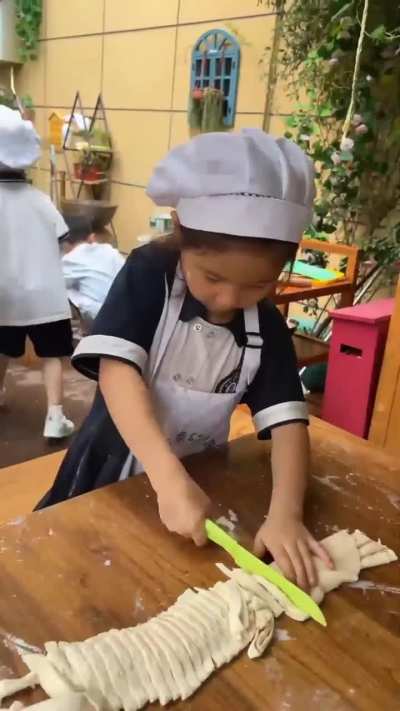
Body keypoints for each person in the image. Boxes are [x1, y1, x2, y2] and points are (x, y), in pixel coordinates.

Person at [38, 129, 333, 589]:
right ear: (180, 232)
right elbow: (118, 374)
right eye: (213, 276)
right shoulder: (148, 275)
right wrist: (165, 474)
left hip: (199, 476)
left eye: (258, 286)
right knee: (78, 578)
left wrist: (285, 516)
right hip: (111, 470)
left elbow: (290, 428)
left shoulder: (264, 325)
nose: (229, 299)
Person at [0, 106, 74, 439]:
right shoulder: (41, 200)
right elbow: (62, 239)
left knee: (1, 348)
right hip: (45, 294)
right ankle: (55, 416)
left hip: (4, 293)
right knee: (52, 355)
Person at [60, 215, 125, 323]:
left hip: (105, 318)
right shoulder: (111, 251)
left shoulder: (68, 260)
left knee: (66, 289)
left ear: (64, 244)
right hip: (132, 311)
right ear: (92, 238)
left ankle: (85, 327)